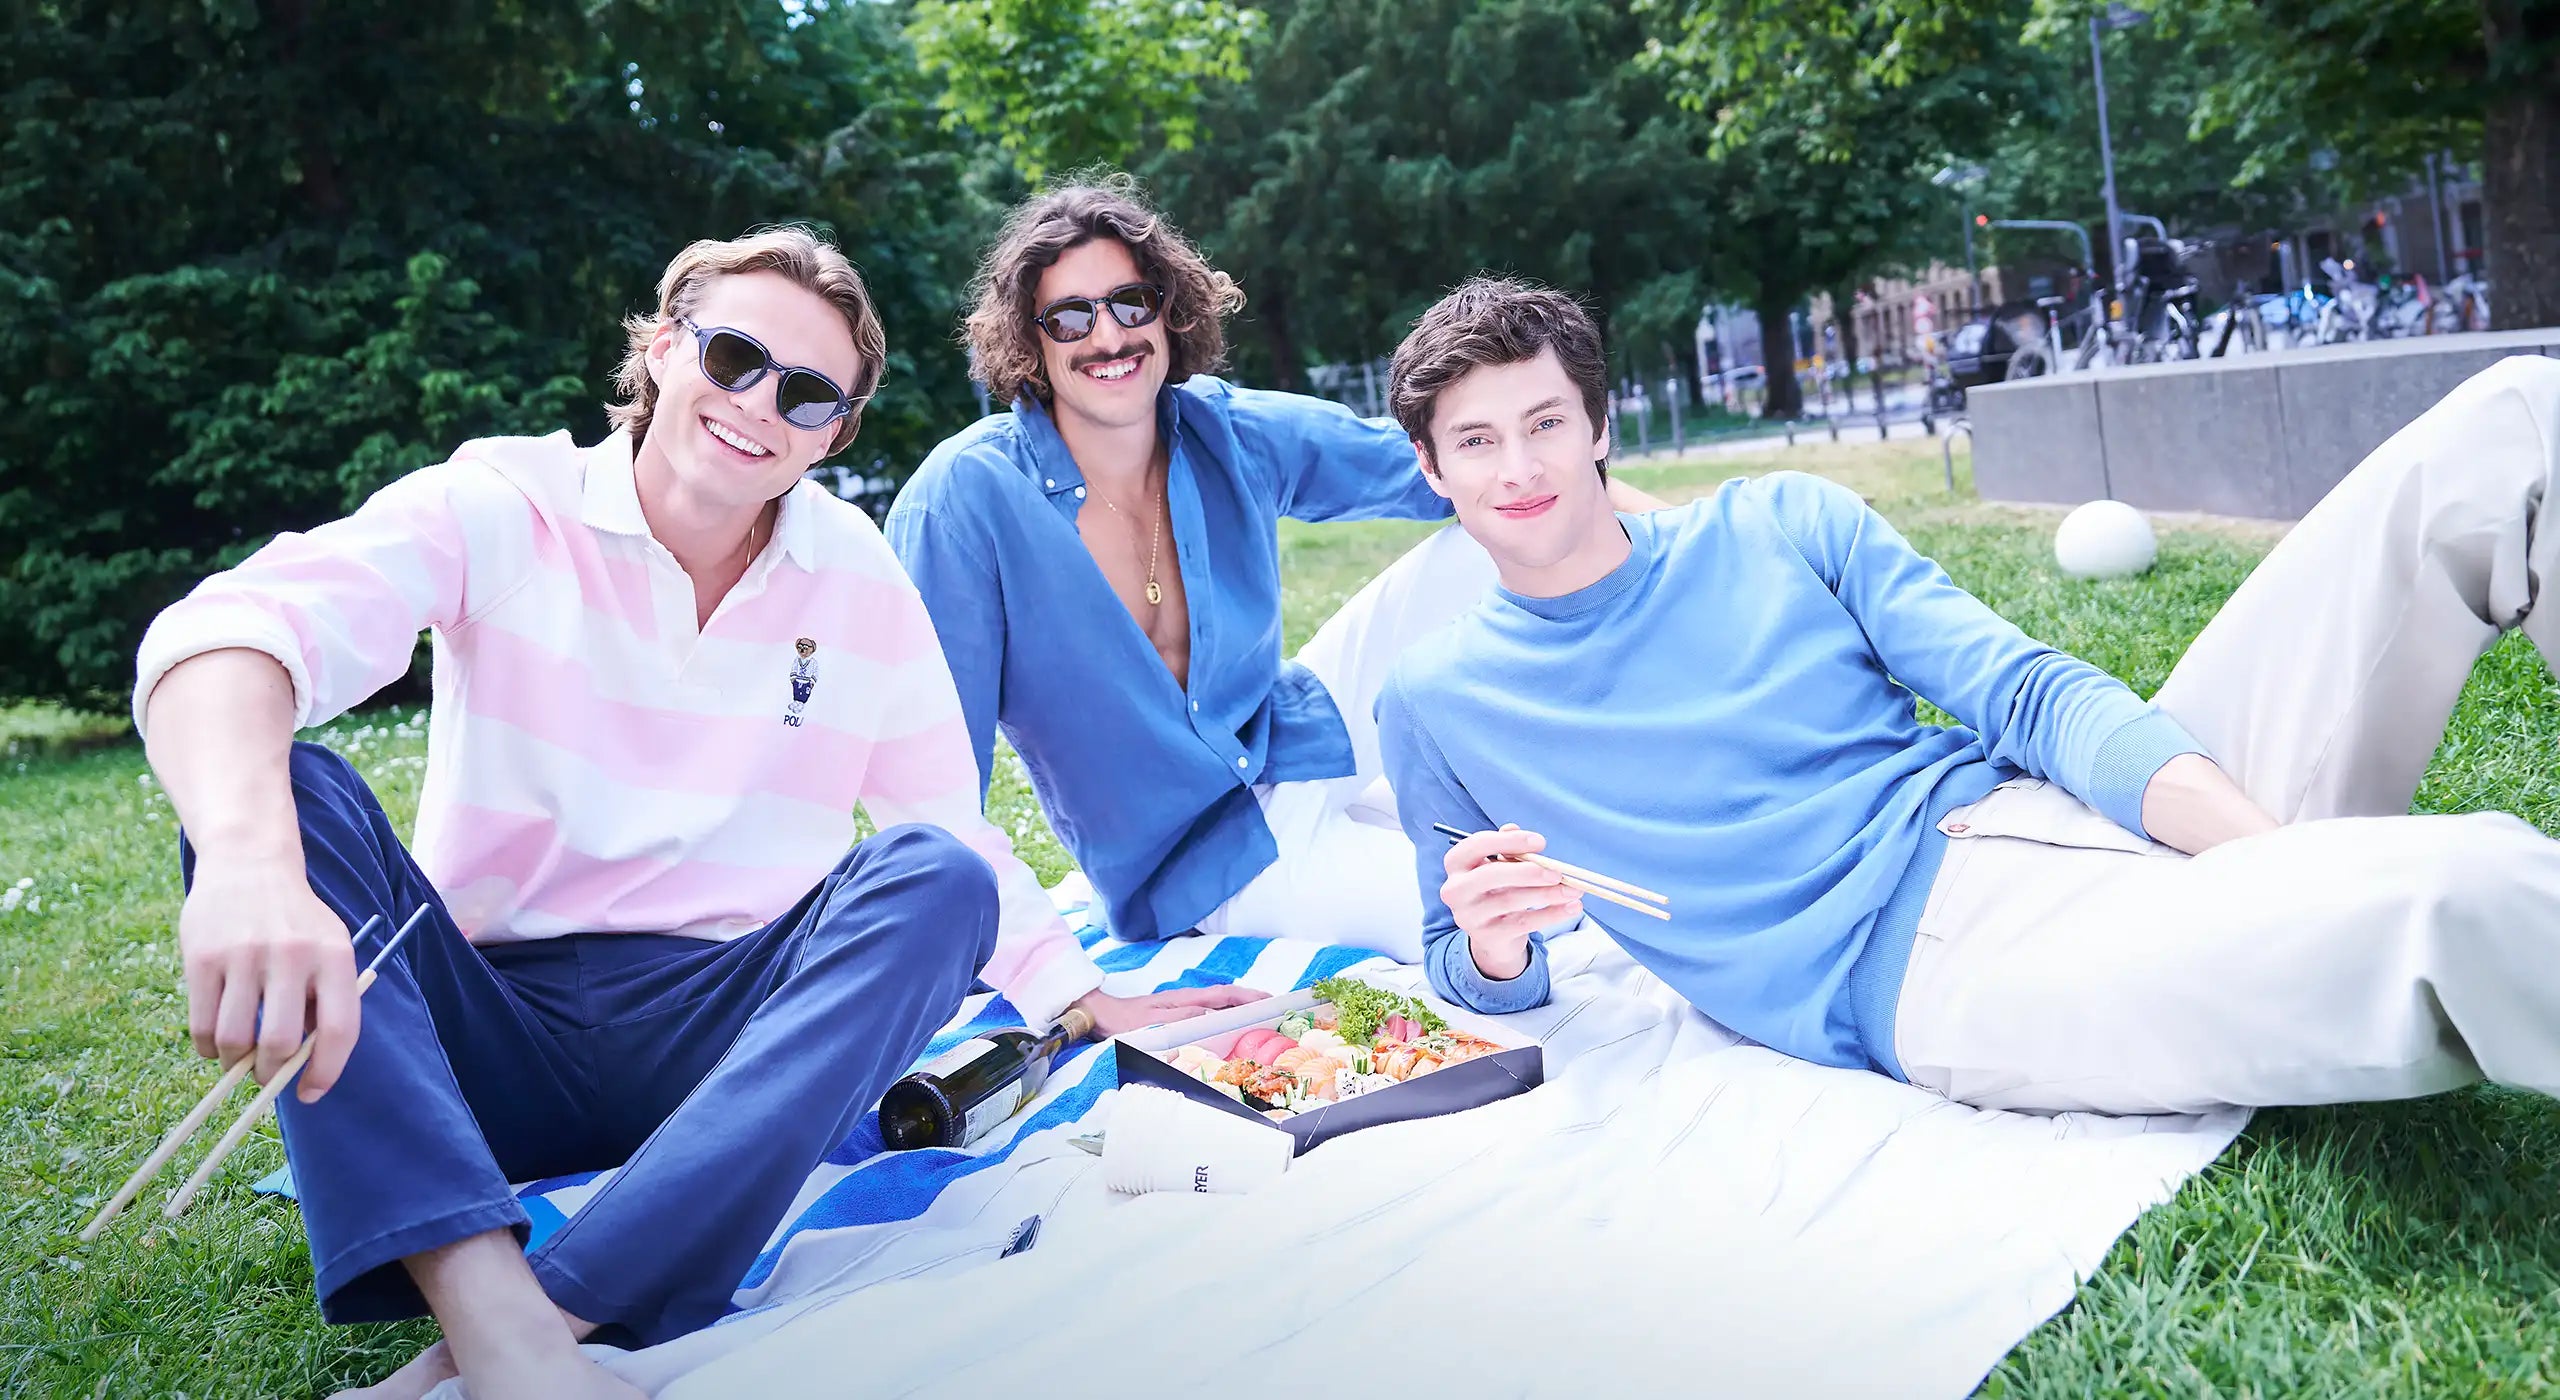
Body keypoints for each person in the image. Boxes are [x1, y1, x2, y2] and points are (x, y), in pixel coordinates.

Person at [134, 229, 1095, 1400]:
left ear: (834, 433)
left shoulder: (853, 569)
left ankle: (534, 1325)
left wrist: (1079, 992)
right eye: (734, 357)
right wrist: (245, 860)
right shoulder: (506, 501)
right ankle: (493, 1315)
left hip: (725, 1050)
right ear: (662, 346)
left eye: (806, 395)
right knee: (293, 787)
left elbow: (950, 824)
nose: (759, 405)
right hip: (482, 1036)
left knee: (935, 874)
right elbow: (229, 631)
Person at [1376, 274, 2560, 1119]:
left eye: (1544, 422)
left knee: (2516, 417)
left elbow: (2024, 692)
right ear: (1431, 467)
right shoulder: (1437, 699)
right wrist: (1492, 940)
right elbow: (1461, 963)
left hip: (2063, 807)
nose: (1518, 467)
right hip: (1949, 966)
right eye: (1475, 441)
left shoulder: (1780, 522)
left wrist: (2255, 854)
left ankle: (2286, 875)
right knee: (2468, 886)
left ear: (1597, 426)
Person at [886, 180, 1662, 988]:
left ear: (1168, 309)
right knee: (1533, 912)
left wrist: (1693, 543)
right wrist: (1032, 975)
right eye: (1070, 317)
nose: (1107, 335)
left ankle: (1643, 741)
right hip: (1203, 864)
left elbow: (1454, 470)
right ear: (1032, 340)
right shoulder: (965, 499)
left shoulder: (1223, 428)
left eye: (1130, 302)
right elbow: (935, 786)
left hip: (1295, 736)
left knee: (1492, 517)